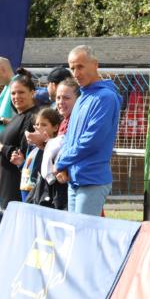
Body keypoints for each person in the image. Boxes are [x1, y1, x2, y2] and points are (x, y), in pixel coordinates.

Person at [54, 45, 122, 216]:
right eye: (72, 68)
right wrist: (64, 164)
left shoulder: (105, 97)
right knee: (77, 236)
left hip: (92, 179)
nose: (76, 73)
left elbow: (92, 140)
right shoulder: (84, 96)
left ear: (95, 64)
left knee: (84, 236)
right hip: (75, 179)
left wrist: (62, 162)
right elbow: (70, 138)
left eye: (80, 66)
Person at [0, 73, 39, 208]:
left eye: (21, 92)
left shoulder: (34, 118)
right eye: (13, 93)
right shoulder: (18, 116)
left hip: (20, 186)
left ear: (32, 93)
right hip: (7, 182)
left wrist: (1, 147)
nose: (16, 97)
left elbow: (25, 154)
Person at [26, 107, 67, 210]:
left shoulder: (58, 145)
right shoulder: (36, 148)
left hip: (55, 194)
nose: (39, 128)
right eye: (37, 125)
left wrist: (46, 143)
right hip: (39, 191)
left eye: (44, 125)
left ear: (55, 127)